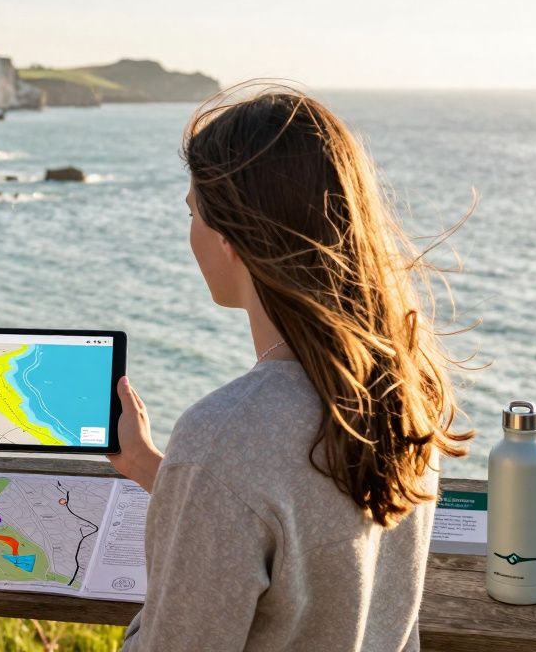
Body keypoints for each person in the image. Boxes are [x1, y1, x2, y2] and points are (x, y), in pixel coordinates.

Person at [111, 87, 472, 651]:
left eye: (193, 213)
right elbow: (301, 523)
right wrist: (151, 467)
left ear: (232, 238)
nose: (190, 233)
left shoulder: (223, 437)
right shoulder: (400, 393)